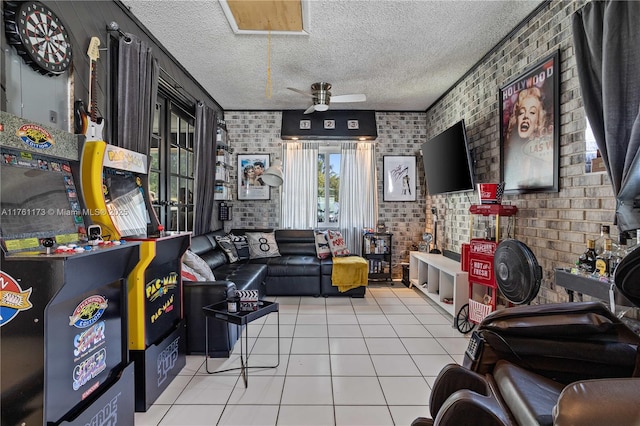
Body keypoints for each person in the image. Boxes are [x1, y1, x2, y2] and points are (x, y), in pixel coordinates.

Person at [504, 86, 553, 189]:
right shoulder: (510, 160)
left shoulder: (542, 161)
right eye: (521, 112)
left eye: (532, 112)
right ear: (517, 119)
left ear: (537, 122)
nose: (525, 116)